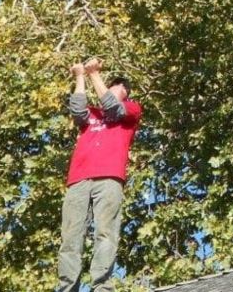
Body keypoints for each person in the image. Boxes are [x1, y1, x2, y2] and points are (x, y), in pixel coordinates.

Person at [57, 58, 142, 292]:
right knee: (71, 236)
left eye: (113, 87)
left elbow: (112, 106)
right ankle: (67, 288)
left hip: (109, 178)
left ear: (124, 91)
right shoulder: (92, 115)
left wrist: (94, 74)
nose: (106, 91)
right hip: (79, 180)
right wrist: (80, 76)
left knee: (106, 233)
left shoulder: (132, 110)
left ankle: (102, 288)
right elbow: (77, 110)